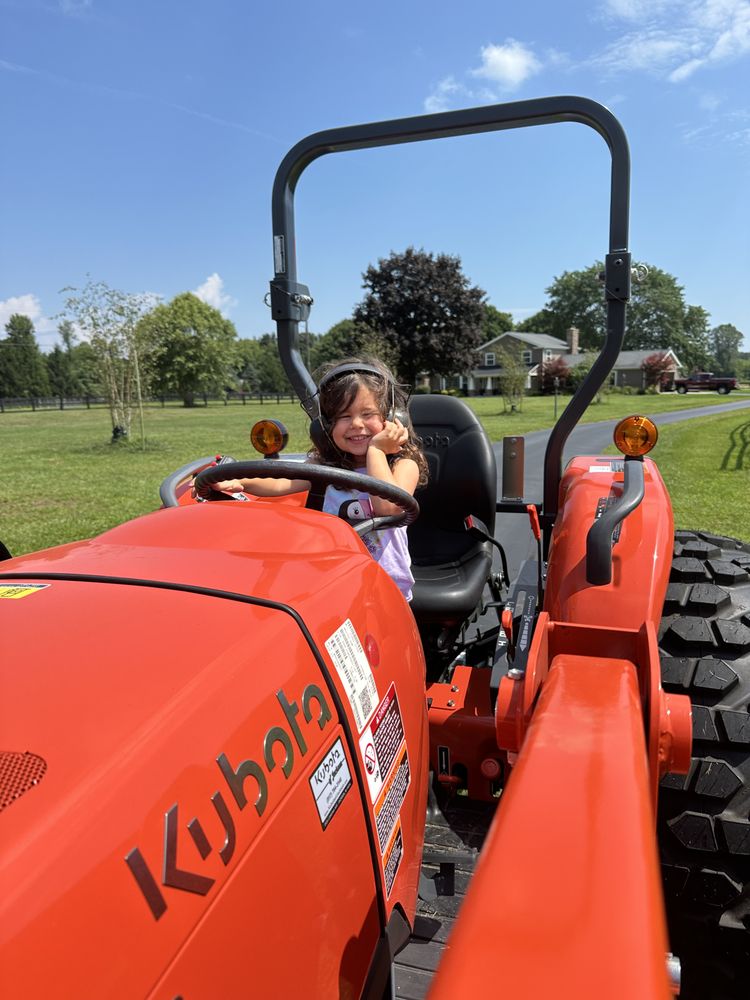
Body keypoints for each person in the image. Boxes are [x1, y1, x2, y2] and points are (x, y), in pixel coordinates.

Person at [203, 357, 428, 600]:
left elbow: (386, 507)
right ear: (326, 425)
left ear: (394, 417)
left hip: (385, 586)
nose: (356, 424)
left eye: (367, 413)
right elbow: (282, 481)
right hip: (334, 578)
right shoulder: (325, 466)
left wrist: (376, 450)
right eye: (343, 416)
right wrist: (243, 482)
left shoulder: (404, 465)